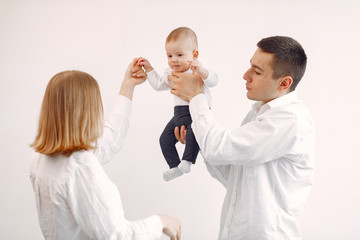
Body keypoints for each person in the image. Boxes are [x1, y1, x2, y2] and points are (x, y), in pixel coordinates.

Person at [170, 36, 315, 240]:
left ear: (284, 83)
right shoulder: (258, 114)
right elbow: (232, 174)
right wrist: (199, 139)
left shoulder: (289, 119)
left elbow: (220, 148)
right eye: (250, 67)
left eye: (256, 71)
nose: (245, 76)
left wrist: (196, 96)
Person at [29, 58, 181, 240]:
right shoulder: (80, 166)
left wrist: (128, 86)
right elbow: (116, 236)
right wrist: (160, 222)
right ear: (86, 111)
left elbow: (108, 141)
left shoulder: (41, 158)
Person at [138, 27, 219, 181]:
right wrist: (149, 69)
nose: (173, 60)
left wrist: (203, 72)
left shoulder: (198, 66)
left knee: (193, 134)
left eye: (179, 55)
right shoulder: (170, 71)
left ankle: (187, 161)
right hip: (179, 113)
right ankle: (174, 166)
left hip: (197, 112)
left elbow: (214, 80)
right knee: (164, 139)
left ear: (194, 55)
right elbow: (159, 85)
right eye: (169, 55)